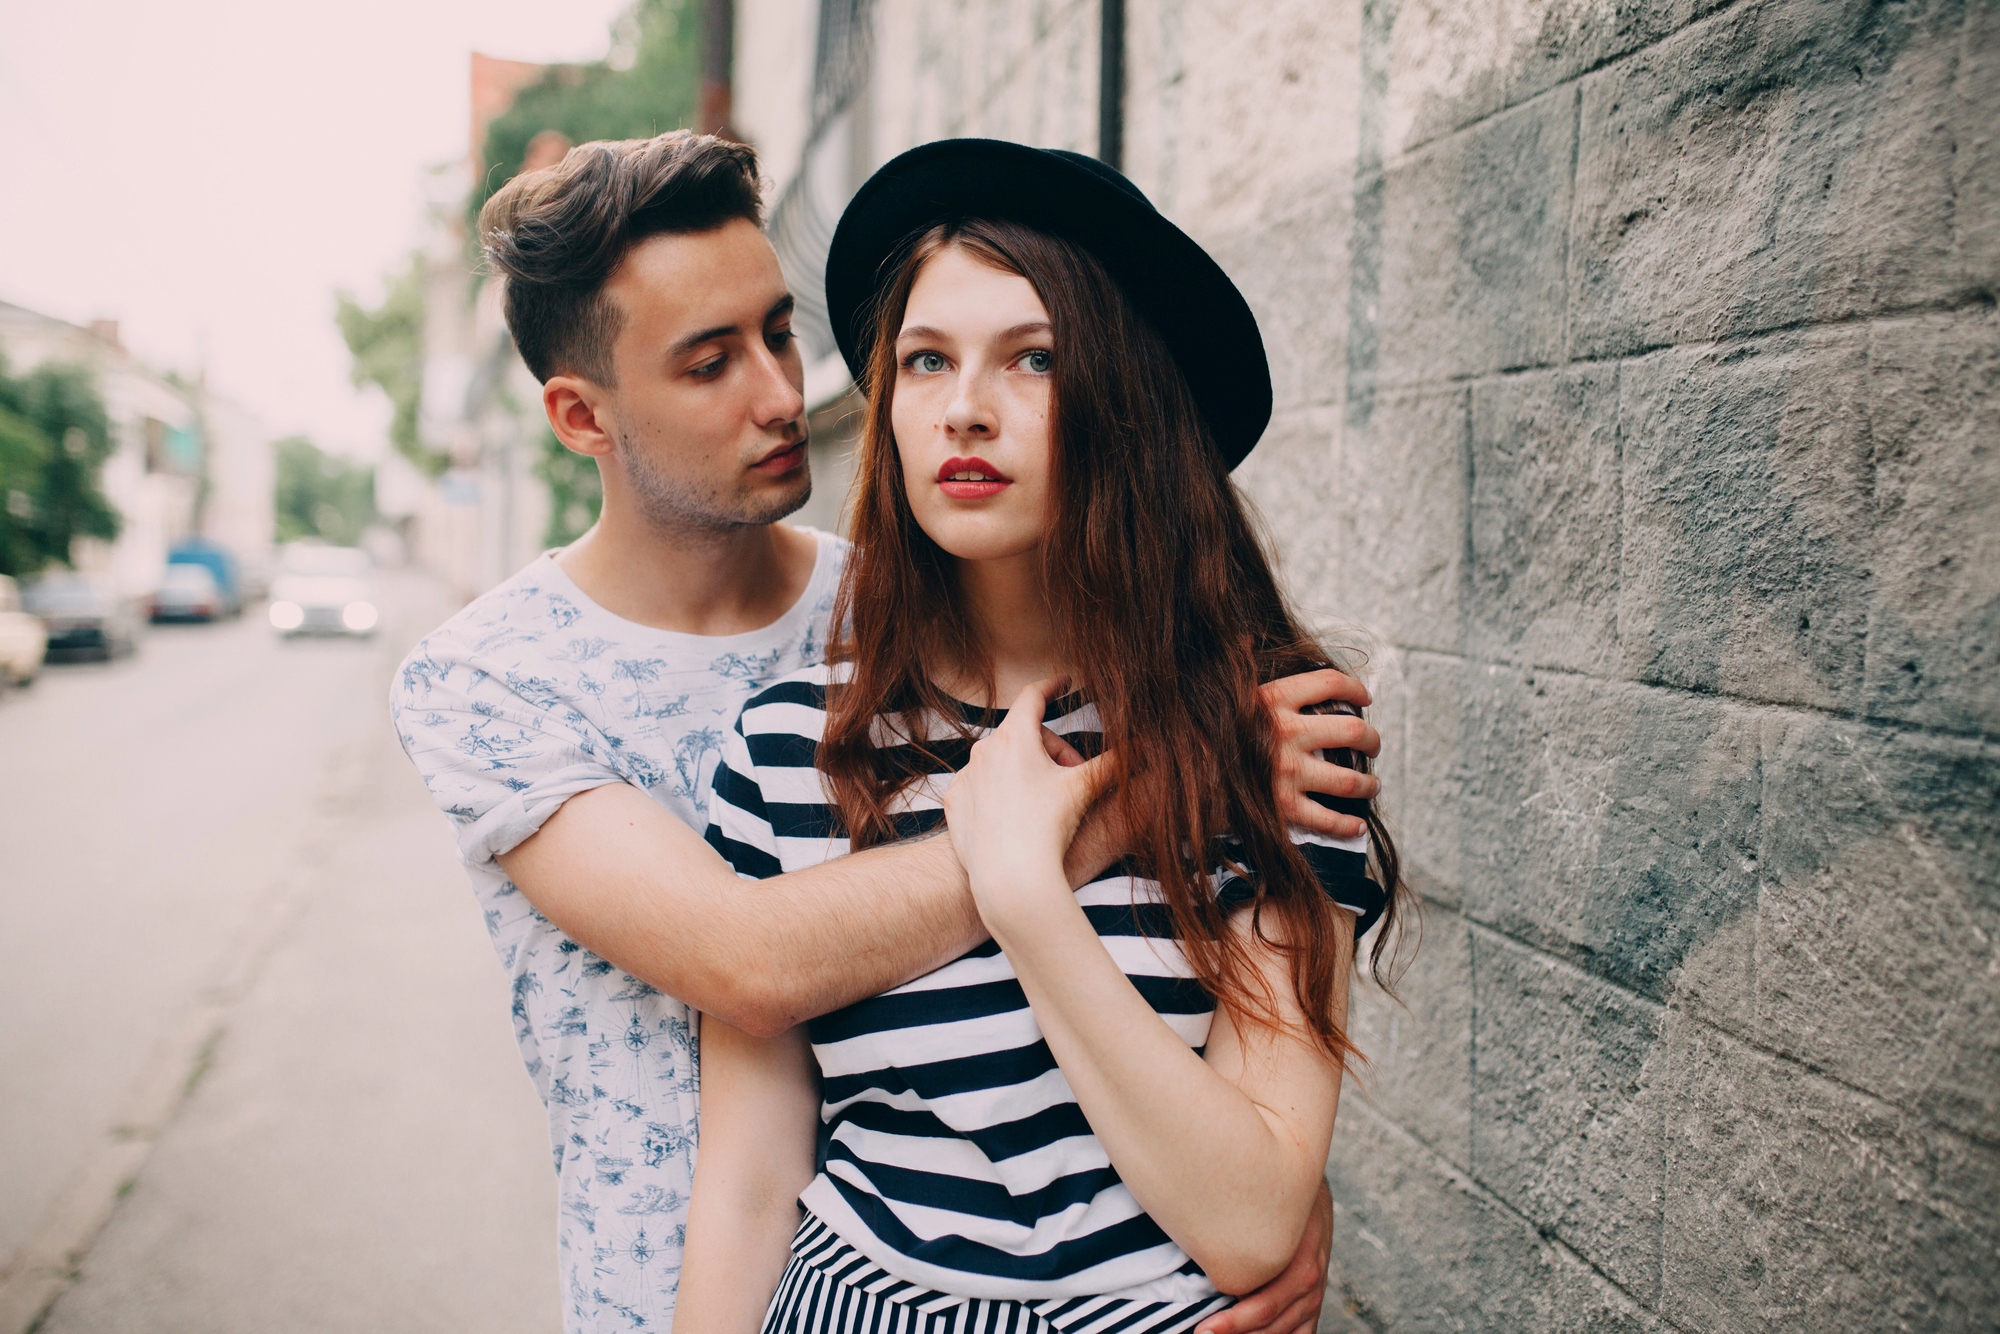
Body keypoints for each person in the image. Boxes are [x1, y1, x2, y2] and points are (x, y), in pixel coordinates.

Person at [389, 131, 1384, 1334]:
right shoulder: (501, 685)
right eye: (709, 362)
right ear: (578, 414)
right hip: (675, 1283)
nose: (777, 395)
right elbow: (749, 976)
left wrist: (1273, 1175)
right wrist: (1132, 800)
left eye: (779, 333)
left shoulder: (1219, 705)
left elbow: (1251, 1190)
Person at [675, 141, 1404, 1332]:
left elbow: (1252, 1218)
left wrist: (1024, 890)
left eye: (1034, 358)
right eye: (924, 361)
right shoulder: (787, 745)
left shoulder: (1273, 732)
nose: (964, 404)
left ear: (1127, 404)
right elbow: (751, 1180)